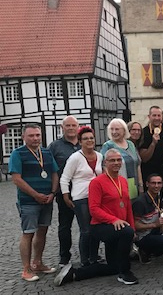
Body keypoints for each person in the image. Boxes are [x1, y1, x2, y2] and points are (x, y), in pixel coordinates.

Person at [55, 149, 138, 286]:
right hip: (101, 226)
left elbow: (127, 206)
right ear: (105, 163)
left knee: (113, 267)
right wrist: (114, 220)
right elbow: (94, 209)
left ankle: (75, 273)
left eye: (118, 160)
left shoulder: (123, 181)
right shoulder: (97, 182)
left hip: (119, 226)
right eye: (112, 160)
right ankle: (125, 273)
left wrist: (132, 227)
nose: (116, 163)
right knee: (126, 233)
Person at [10, 124, 59, 281]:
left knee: (42, 231)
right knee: (28, 233)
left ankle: (38, 263)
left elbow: (54, 173)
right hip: (28, 201)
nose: (35, 138)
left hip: (47, 200)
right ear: (24, 137)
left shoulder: (46, 152)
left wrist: (52, 192)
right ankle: (26, 269)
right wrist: (35, 195)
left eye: (38, 135)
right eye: (31, 136)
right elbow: (16, 179)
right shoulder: (18, 154)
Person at [60, 126, 102, 267]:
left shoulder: (100, 156)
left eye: (91, 138)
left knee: (96, 228)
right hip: (81, 198)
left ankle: (94, 256)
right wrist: (66, 196)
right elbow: (65, 178)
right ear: (80, 141)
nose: (89, 140)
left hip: (97, 198)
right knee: (86, 230)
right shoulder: (75, 158)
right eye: (85, 139)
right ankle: (85, 259)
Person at [47, 115, 80, 267]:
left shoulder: (84, 143)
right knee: (65, 226)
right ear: (62, 128)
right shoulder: (55, 146)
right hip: (64, 193)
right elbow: (49, 169)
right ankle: (64, 257)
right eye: (68, 126)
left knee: (88, 226)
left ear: (78, 127)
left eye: (74, 125)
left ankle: (90, 254)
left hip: (84, 193)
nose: (71, 128)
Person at [132, 174, 163, 264]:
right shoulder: (140, 202)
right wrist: (155, 224)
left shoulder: (157, 197)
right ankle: (146, 250)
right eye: (153, 183)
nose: (156, 186)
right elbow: (135, 225)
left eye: (159, 183)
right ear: (147, 184)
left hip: (154, 230)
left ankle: (154, 249)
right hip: (143, 236)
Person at [101, 118, 143, 200]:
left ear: (124, 130)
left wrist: (141, 185)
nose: (114, 132)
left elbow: (137, 164)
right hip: (117, 184)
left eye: (117, 129)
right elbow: (104, 167)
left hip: (133, 183)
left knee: (133, 209)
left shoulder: (130, 144)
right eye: (111, 129)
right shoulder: (108, 146)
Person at [139, 106, 163, 199]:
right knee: (149, 197)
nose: (157, 118)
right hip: (148, 171)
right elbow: (144, 158)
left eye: (159, 115)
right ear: (149, 116)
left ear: (162, 117)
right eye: (154, 115)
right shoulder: (144, 132)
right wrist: (153, 144)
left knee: (160, 197)